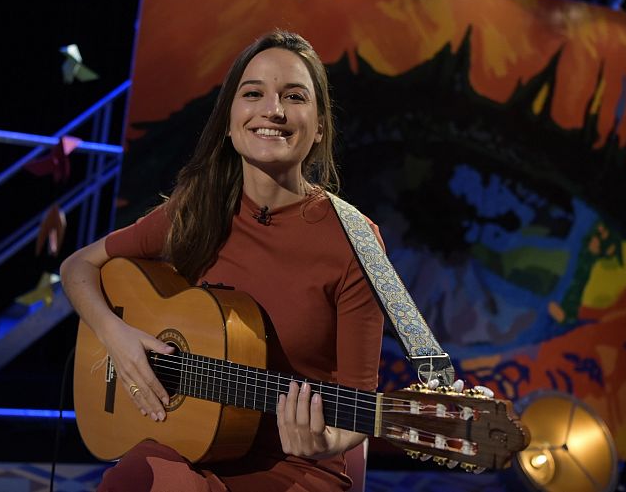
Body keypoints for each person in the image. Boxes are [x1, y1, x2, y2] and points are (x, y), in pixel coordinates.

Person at [60, 30, 385, 491]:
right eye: (253, 93)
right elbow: (78, 267)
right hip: (188, 441)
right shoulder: (199, 204)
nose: (272, 110)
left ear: (319, 127)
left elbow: (358, 405)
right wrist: (118, 337)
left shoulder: (357, 241)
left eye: (294, 96)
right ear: (231, 121)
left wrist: (327, 438)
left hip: (295, 464)